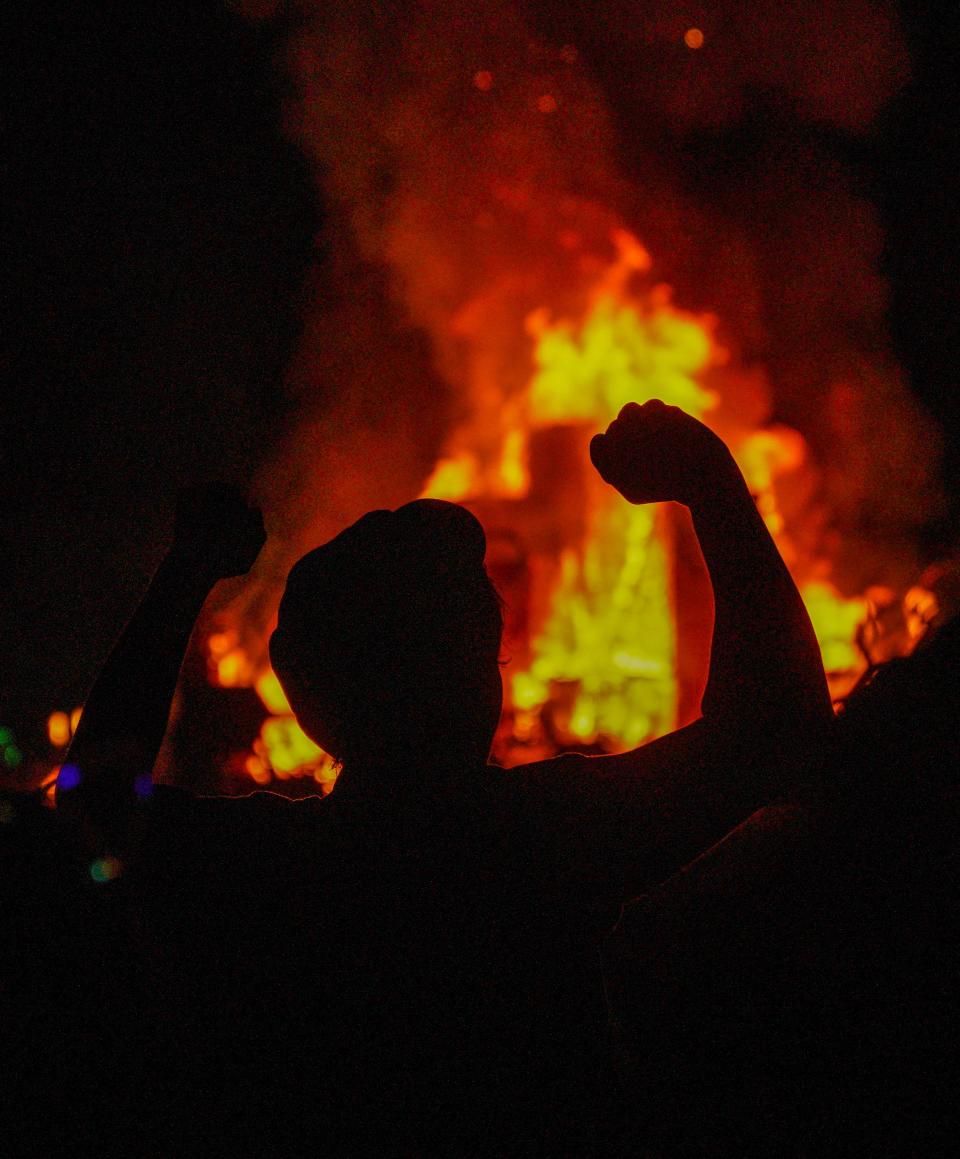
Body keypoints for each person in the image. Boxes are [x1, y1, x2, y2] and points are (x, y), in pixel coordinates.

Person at [58, 401, 831, 1155]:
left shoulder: (272, 864)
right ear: (481, 685)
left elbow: (95, 801)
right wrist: (713, 484)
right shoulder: (538, 839)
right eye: (477, 647)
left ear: (308, 702)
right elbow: (776, 732)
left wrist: (186, 572)